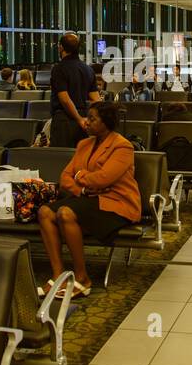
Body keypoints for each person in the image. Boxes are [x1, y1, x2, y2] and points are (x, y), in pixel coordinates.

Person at [36, 102, 140, 300]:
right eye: (87, 118)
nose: (86, 122)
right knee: (45, 212)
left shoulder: (122, 146)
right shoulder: (84, 144)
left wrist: (80, 175)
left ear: (106, 122)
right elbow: (65, 177)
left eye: (92, 119)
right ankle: (59, 275)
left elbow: (104, 179)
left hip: (116, 203)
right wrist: (82, 187)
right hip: (88, 198)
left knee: (65, 213)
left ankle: (82, 278)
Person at [49, 33, 99, 148]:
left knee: (61, 159)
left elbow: (65, 99)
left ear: (61, 47)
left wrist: (78, 119)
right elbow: (95, 99)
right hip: (84, 119)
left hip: (64, 120)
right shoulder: (88, 69)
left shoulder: (59, 69)